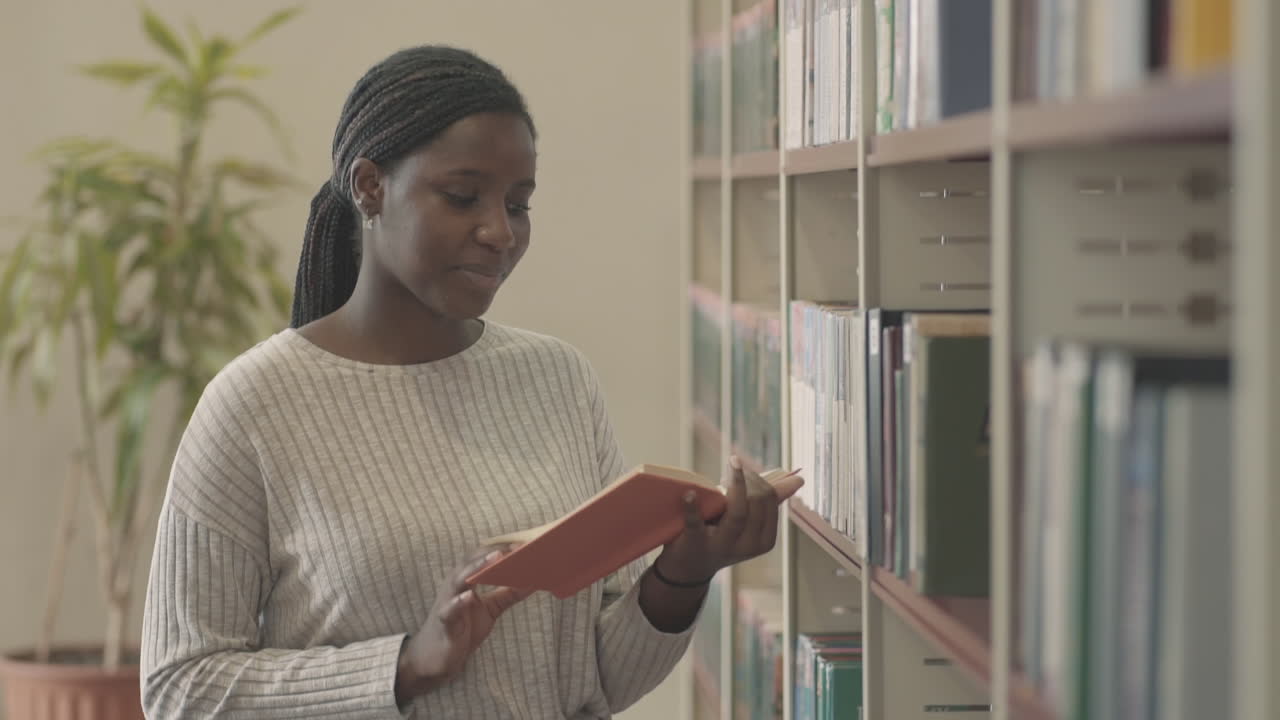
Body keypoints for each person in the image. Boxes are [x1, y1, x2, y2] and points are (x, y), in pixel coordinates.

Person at [138, 45, 802, 719]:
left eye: (519, 205)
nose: (499, 232)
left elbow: (593, 680)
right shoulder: (253, 404)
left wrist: (682, 575)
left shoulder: (558, 379)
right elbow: (180, 690)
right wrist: (405, 666)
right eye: (463, 197)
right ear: (371, 187)